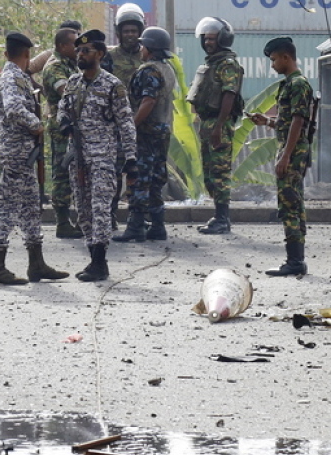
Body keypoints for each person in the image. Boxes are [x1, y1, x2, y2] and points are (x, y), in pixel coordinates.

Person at [0, 33, 68, 285]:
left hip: (25, 153)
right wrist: (36, 124)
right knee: (8, 206)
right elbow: (13, 108)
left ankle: (37, 263)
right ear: (27, 54)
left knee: (32, 206)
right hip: (16, 151)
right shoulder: (11, 76)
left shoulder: (17, 76)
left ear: (6, 53)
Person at [57, 29, 137, 282]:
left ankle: (100, 262)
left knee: (101, 209)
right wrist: (64, 122)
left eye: (86, 51)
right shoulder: (73, 83)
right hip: (78, 157)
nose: (80, 55)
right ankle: (93, 257)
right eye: (78, 51)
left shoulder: (112, 85)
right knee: (83, 210)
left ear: (99, 54)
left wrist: (131, 158)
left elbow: (125, 122)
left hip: (102, 157)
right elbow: (62, 109)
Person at [250, 37, 314, 276]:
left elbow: (298, 121)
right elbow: (288, 122)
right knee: (293, 203)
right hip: (293, 151)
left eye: (274, 59)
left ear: (286, 57)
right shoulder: (290, 84)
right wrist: (267, 121)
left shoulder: (297, 84)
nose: (273, 65)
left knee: (290, 205)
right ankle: (295, 259)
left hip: (293, 153)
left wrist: (285, 156)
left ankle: (295, 261)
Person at [114, 26, 176, 243]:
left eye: (143, 45)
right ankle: (158, 226)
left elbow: (148, 101)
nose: (139, 48)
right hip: (163, 131)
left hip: (147, 133)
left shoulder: (149, 71)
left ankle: (136, 226)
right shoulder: (167, 69)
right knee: (157, 177)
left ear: (149, 48)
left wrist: (131, 126)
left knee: (140, 178)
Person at [188, 16, 243, 235]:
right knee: (210, 172)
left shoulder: (227, 64)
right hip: (208, 122)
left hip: (220, 123)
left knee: (220, 172)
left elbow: (229, 95)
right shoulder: (213, 64)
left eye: (212, 39)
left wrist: (219, 127)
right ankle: (218, 216)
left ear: (222, 39)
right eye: (206, 39)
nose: (209, 42)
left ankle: (223, 218)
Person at [41, 27, 84, 239]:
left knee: (76, 174)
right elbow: (66, 92)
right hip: (61, 128)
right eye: (73, 44)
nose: (77, 49)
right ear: (61, 46)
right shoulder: (55, 67)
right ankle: (62, 221)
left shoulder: (72, 65)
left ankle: (78, 220)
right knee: (62, 173)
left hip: (75, 127)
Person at [107, 3, 147, 228]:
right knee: (113, 173)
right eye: (126, 31)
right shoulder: (109, 57)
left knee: (138, 173)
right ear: (119, 32)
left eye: (134, 30)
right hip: (116, 126)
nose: (130, 35)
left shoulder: (147, 56)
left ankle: (137, 219)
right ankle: (109, 216)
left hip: (142, 124)